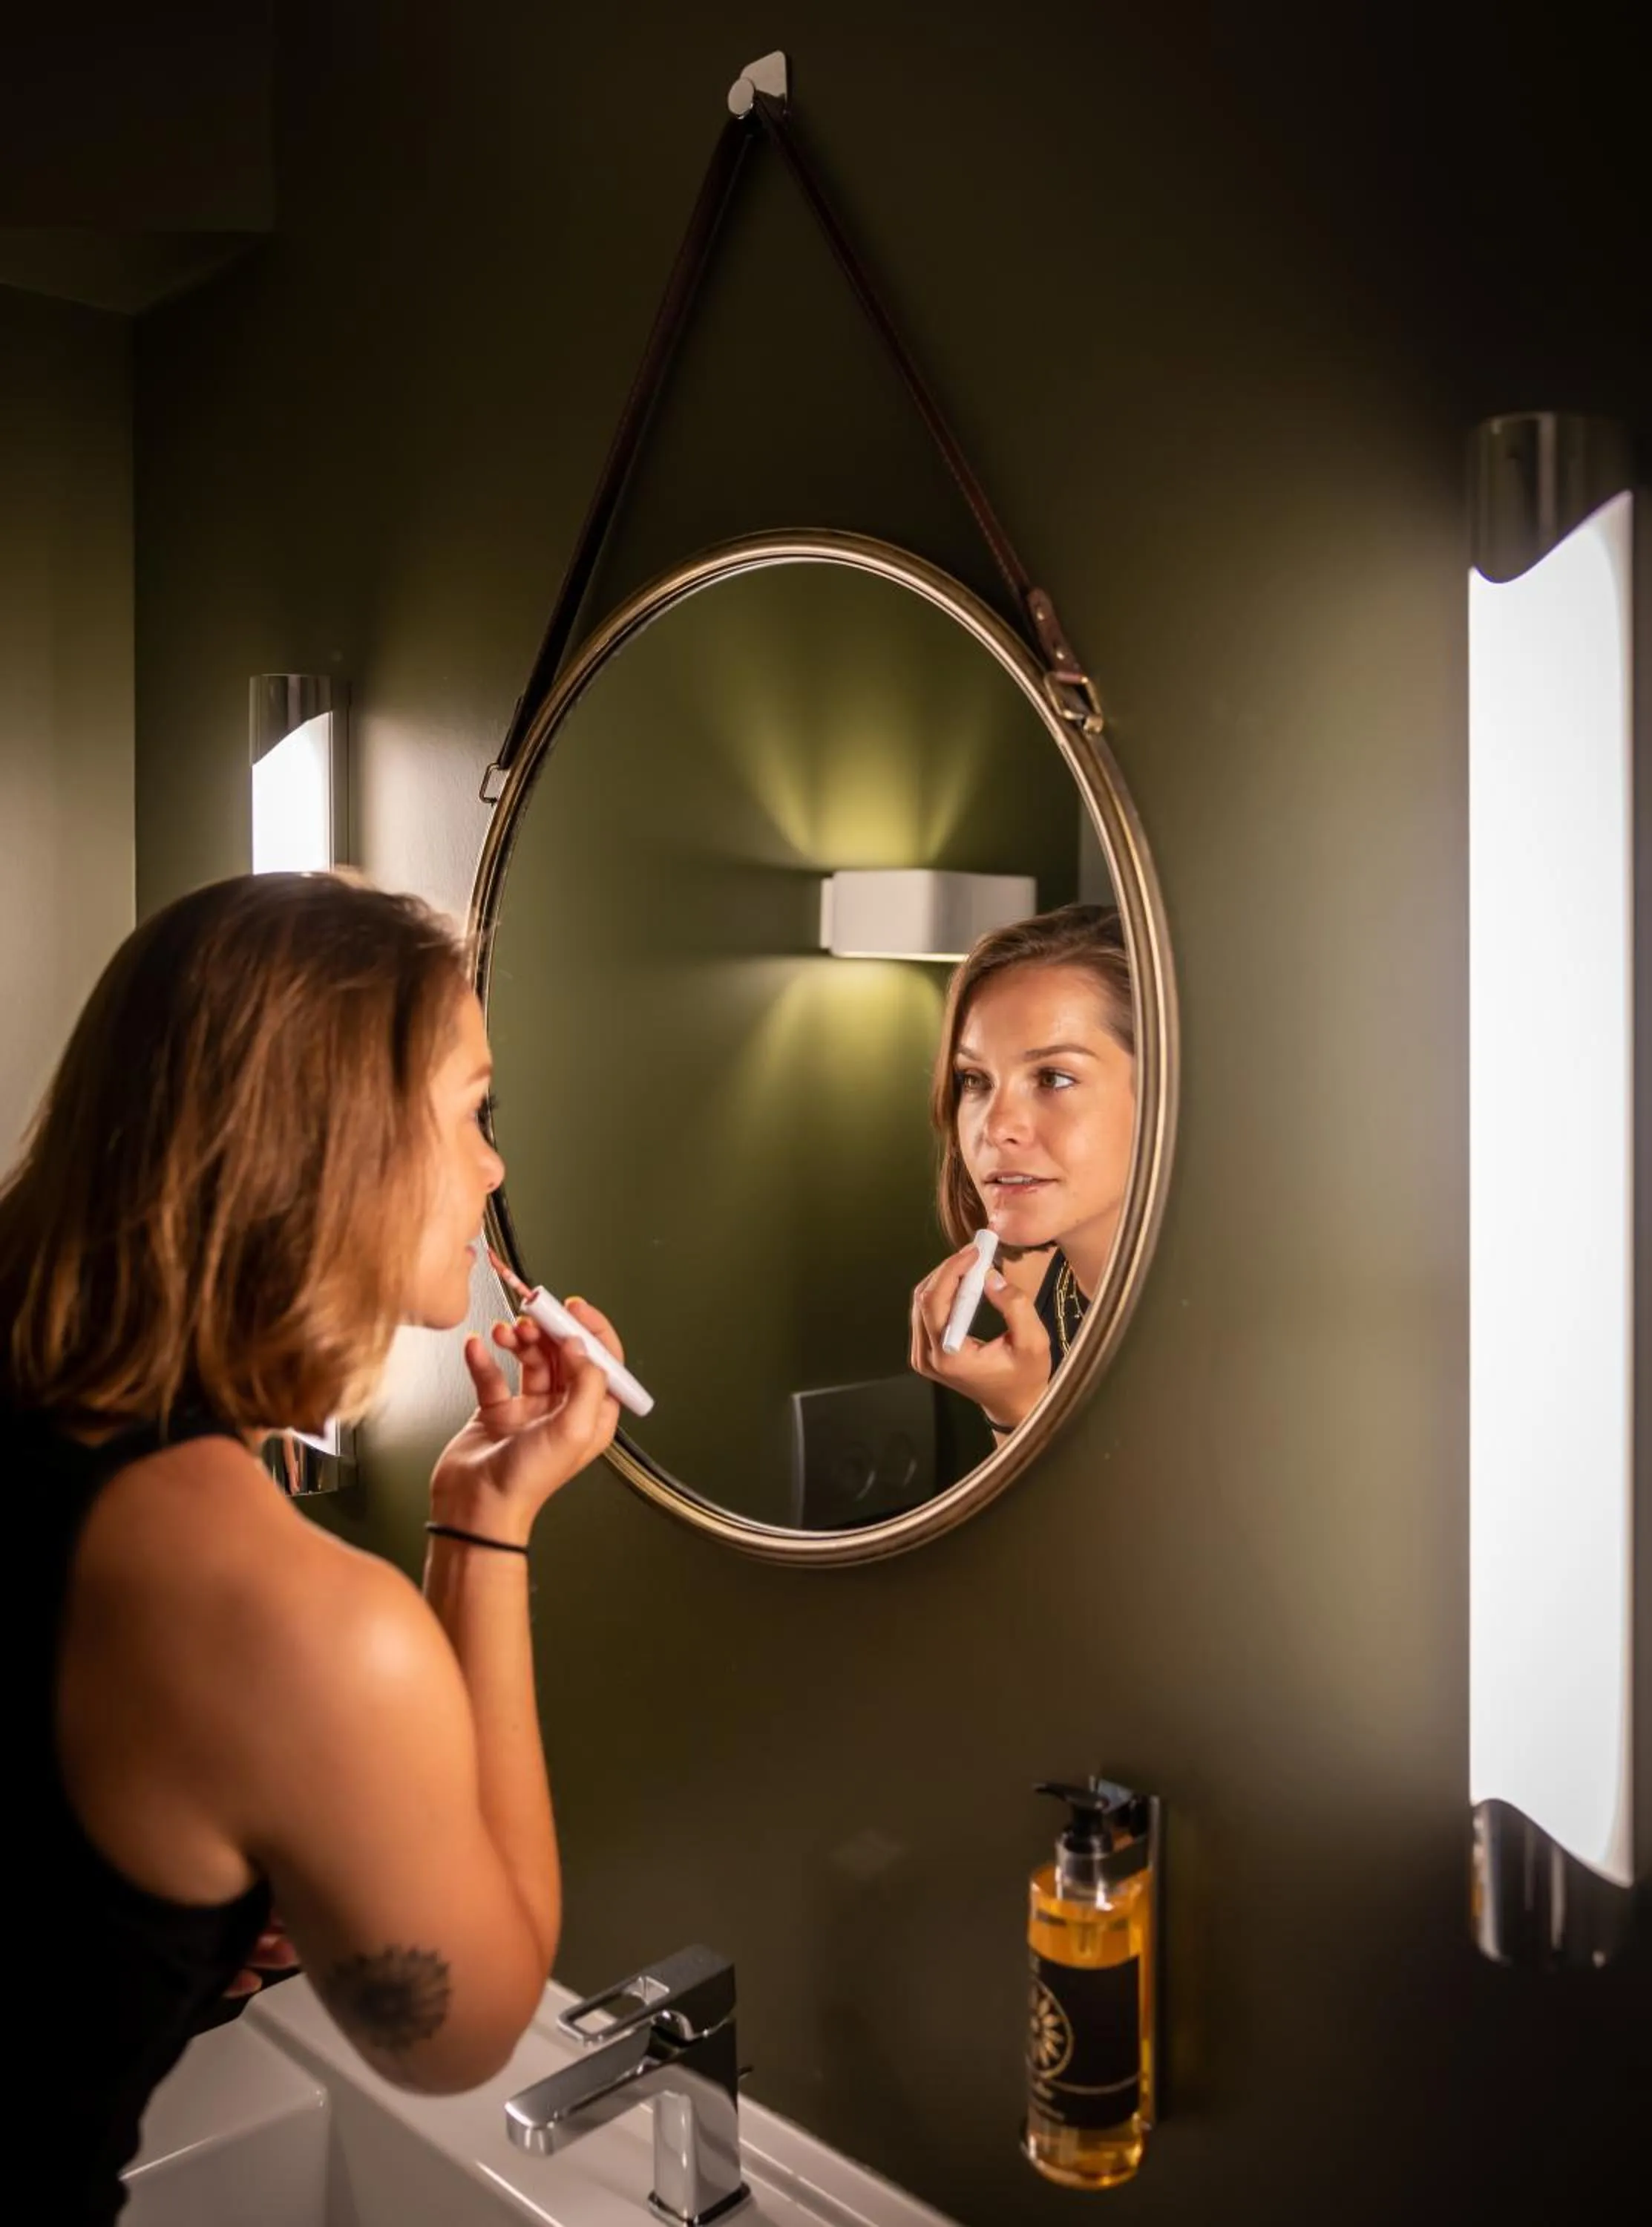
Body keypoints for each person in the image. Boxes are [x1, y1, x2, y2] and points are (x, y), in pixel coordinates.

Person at [6, 872, 626, 2225]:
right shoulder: (288, 1611)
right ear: (334, 1136)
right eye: (474, 1110)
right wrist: (489, 1517)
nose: (493, 1166)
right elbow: (460, 2032)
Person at [909, 903, 1136, 1439]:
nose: (996, 1127)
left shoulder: (1254, 1332)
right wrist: (1011, 1410)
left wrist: (1022, 1414)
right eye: (975, 1080)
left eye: (1053, 1078)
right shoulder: (1033, 1284)